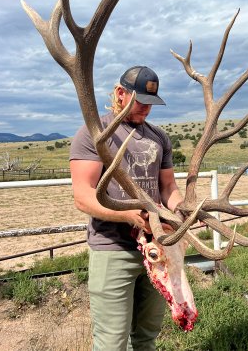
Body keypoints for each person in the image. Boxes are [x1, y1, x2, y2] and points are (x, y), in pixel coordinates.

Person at [69, 65, 184, 351]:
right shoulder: (94, 134)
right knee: (111, 343)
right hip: (113, 249)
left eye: (151, 104)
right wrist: (127, 216)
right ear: (121, 93)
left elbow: (168, 188)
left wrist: (181, 213)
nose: (146, 110)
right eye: (141, 102)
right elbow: (83, 196)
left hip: (158, 248)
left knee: (146, 337)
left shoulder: (159, 137)